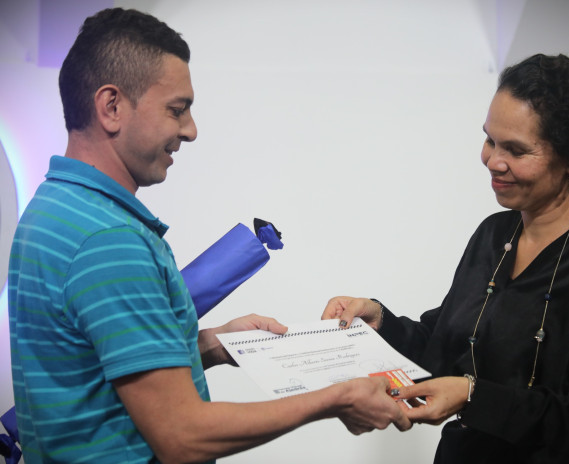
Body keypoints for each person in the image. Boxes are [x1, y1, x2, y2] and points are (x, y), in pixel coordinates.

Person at [8, 8, 410, 464]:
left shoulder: (56, 207)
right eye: (176, 110)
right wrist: (336, 398)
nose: (191, 130)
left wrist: (212, 344)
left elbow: (95, 376)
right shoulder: (109, 240)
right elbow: (181, 436)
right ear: (112, 107)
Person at [322, 54, 569, 463]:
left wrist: (474, 397)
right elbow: (446, 346)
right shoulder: (494, 234)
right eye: (490, 140)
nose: (493, 161)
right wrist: (380, 321)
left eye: (516, 150)